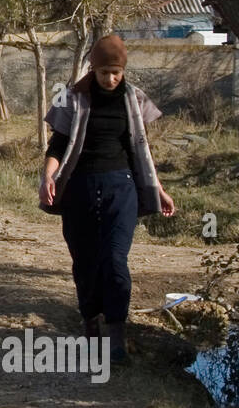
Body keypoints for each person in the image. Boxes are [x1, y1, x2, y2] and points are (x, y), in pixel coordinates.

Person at [39, 34, 176, 364]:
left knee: (115, 260)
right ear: (93, 69)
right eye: (104, 73)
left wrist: (157, 187)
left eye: (116, 73)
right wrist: (47, 177)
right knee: (85, 262)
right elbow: (57, 147)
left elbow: (140, 149)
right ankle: (90, 322)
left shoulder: (134, 100)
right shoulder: (73, 99)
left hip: (121, 188)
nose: (111, 79)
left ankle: (117, 335)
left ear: (123, 70)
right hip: (79, 189)